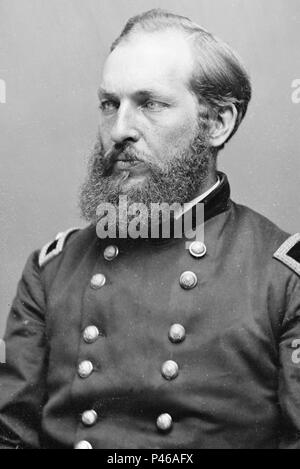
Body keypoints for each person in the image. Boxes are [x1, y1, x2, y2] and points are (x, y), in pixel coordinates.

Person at [0, 8, 300, 450]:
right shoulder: (52, 271)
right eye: (109, 104)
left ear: (217, 124)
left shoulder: (283, 279)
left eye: (150, 104)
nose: (120, 129)